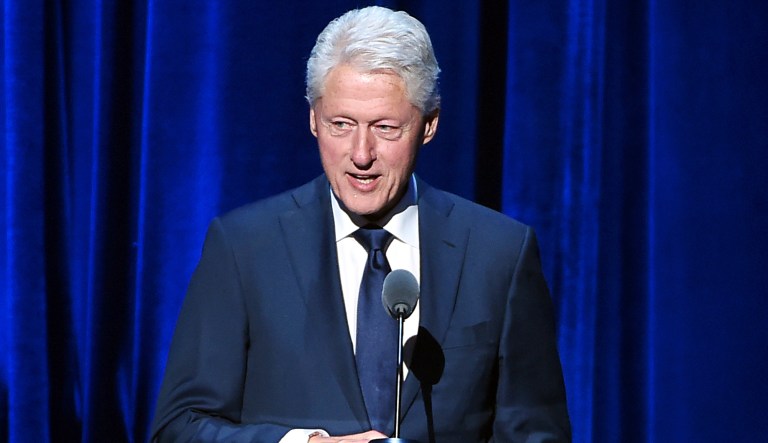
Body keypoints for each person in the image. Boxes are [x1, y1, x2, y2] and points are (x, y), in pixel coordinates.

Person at [150, 6, 571, 443]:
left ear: (429, 125)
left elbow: (537, 434)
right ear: (313, 119)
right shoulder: (244, 249)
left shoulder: (499, 254)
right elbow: (180, 428)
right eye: (341, 124)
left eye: (385, 127)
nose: (361, 154)